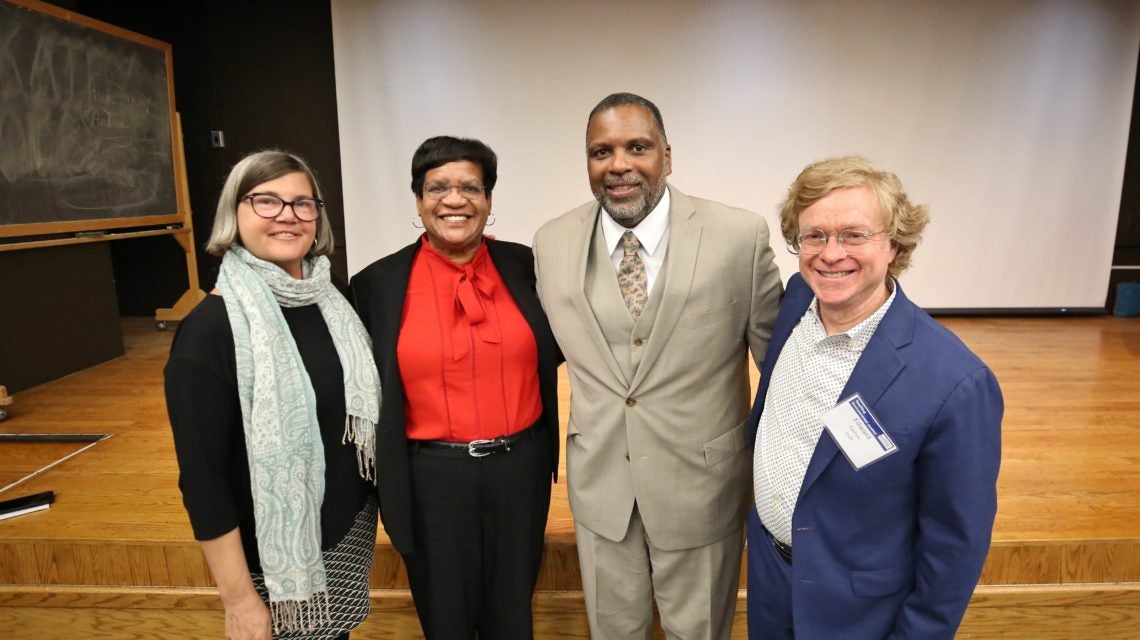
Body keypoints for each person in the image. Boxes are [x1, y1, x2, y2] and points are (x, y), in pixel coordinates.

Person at [532, 93, 783, 639]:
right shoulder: (550, 243)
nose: (618, 164)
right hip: (601, 492)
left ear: (667, 156)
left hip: (703, 489)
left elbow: (781, 371)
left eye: (637, 147)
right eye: (601, 151)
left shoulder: (739, 237)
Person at [746, 155, 1003, 639]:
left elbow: (955, 545)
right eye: (814, 236)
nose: (830, 254)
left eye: (853, 235)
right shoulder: (799, 298)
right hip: (770, 578)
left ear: (894, 245)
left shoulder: (956, 382)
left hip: (858, 613)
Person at [350, 136, 561, 639]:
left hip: (520, 471)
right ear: (418, 199)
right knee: (445, 620)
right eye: (437, 188)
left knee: (513, 616)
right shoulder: (376, 285)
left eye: (470, 187)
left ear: (488, 199)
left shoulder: (526, 267)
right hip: (430, 479)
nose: (454, 200)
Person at [165, 150, 380, 640]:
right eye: (266, 201)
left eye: (303, 203)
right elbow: (202, 480)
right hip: (273, 565)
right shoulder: (209, 331)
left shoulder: (332, 298)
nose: (287, 215)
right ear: (234, 212)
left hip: (346, 536)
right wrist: (239, 599)